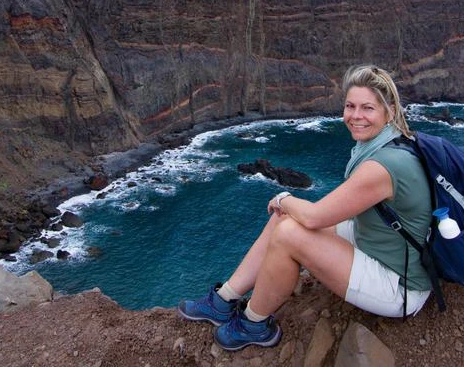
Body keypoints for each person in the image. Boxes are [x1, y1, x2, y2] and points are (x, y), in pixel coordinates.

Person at [177, 64, 432, 351]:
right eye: (350, 106)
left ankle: (254, 325)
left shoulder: (384, 166)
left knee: (289, 232)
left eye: (368, 108)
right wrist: (289, 208)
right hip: (377, 245)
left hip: (400, 285)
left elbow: (314, 218)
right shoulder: (388, 144)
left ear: (389, 111)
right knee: (284, 221)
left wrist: (282, 198)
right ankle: (224, 301)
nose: (355, 116)